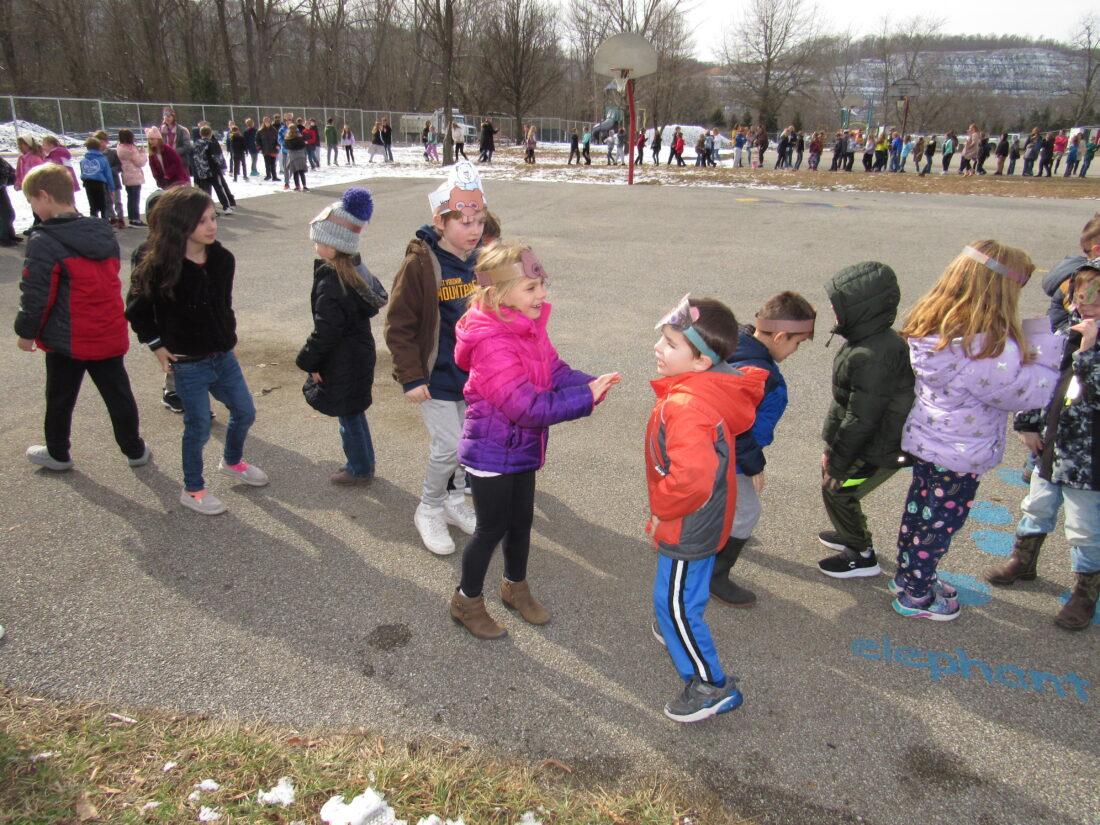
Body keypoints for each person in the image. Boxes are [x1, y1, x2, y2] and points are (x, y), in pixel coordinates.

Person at [448, 242, 620, 639]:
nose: (542, 295)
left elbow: (554, 369)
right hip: (491, 452)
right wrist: (585, 398)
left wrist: (588, 384)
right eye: (531, 288)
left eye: (542, 285)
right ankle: (466, 600)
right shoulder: (493, 342)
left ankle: (515, 587)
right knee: (490, 529)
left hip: (521, 448)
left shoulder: (528, 326)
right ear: (497, 294)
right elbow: (526, 407)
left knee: (521, 522)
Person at [892, 241, 1061, 620]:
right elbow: (1027, 391)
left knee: (920, 515)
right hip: (960, 454)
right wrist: (1050, 346)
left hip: (930, 441)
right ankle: (916, 596)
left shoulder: (938, 327)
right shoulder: (982, 348)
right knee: (939, 526)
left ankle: (909, 578)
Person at [648, 294, 767, 722]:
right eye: (662, 339)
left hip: (688, 522)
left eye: (671, 344)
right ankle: (674, 625)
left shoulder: (687, 407)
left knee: (676, 602)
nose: (659, 349)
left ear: (701, 362)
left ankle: (710, 685)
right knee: (681, 595)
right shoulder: (705, 389)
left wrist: (661, 507)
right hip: (703, 516)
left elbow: (691, 480)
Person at [125, 186, 267, 516]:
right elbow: (137, 310)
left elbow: (223, 304)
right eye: (202, 220)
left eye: (213, 217)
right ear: (179, 223)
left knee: (244, 412)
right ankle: (193, 489)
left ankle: (231, 461)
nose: (211, 225)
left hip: (222, 356)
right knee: (199, 427)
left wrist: (225, 334)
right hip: (187, 363)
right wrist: (156, 345)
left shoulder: (221, 259)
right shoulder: (158, 265)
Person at [14, 163, 149, 472]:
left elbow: (36, 293)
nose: (33, 208)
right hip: (107, 331)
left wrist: (27, 331)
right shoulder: (102, 230)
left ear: (44, 197)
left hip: (67, 338)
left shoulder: (44, 241)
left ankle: (58, 452)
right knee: (118, 394)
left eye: (32, 201)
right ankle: (134, 449)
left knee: (60, 397)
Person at [988, 262, 1100, 630]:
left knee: (1085, 526)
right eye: (1079, 296)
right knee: (1037, 504)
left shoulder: (1087, 342)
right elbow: (1042, 380)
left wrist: (1088, 349)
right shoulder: (1066, 331)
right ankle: (1024, 561)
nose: (1085, 305)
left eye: (1094, 299)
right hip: (1053, 447)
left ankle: (1085, 591)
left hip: (1090, 458)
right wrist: (1028, 424)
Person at [383, 161, 487, 555]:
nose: (473, 229)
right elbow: (399, 324)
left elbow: (495, 315)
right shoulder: (421, 264)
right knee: (448, 446)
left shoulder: (481, 263)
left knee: (468, 444)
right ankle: (428, 507)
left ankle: (454, 502)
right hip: (435, 375)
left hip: (471, 378)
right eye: (463, 221)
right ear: (440, 221)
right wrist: (411, 376)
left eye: (478, 220)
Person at [712, 292, 816, 607]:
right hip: (730, 453)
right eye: (797, 343)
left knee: (709, 496)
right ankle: (715, 574)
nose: (796, 350)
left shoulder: (736, 342)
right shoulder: (759, 374)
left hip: (708, 446)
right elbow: (739, 425)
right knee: (747, 510)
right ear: (781, 336)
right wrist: (754, 464)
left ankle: (682, 539)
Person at [816, 261, 915, 578]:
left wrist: (839, 462)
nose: (833, 312)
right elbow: (848, 404)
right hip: (865, 442)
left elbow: (862, 417)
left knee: (839, 489)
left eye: (838, 306)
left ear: (863, 309)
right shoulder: (867, 341)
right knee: (834, 485)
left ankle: (860, 552)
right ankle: (851, 533)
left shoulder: (874, 355)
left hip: (879, 449)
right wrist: (832, 446)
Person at [297, 188, 389, 485]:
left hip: (342, 360)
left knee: (348, 418)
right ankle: (365, 462)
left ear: (334, 246)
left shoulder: (332, 283)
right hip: (356, 355)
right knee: (355, 411)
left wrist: (309, 360)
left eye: (319, 239)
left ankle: (359, 469)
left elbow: (326, 330)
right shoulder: (353, 273)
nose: (315, 243)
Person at [191, 126, 236, 211]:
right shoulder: (211, 143)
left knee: (206, 192)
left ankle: (208, 209)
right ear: (210, 133)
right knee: (219, 188)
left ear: (200, 134)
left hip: (201, 172)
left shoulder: (196, 144)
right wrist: (223, 166)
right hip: (213, 170)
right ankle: (226, 206)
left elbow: (194, 158)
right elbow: (217, 157)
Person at [115, 129, 148, 227]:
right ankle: (135, 218)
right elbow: (140, 162)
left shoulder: (120, 148)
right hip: (134, 176)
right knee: (135, 198)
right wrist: (142, 153)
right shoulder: (131, 150)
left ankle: (132, 217)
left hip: (126, 175)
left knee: (131, 198)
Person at [79, 136, 114, 221]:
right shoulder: (103, 159)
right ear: (99, 147)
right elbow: (108, 174)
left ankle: (94, 224)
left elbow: (83, 173)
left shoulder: (83, 160)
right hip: (100, 183)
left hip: (88, 183)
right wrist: (111, 188)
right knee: (103, 206)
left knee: (93, 206)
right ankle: (105, 223)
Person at [284, 126, 309, 191]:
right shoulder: (299, 137)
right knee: (301, 171)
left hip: (293, 156)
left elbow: (286, 146)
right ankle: (304, 185)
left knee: (295, 172)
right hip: (300, 155)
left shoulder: (288, 138)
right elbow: (303, 145)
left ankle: (297, 186)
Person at [257, 117, 281, 181]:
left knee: (273, 164)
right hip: (265, 149)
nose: (267, 123)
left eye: (268, 121)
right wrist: (259, 147)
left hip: (273, 149)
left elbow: (278, 139)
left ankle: (274, 176)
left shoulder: (274, 130)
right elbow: (257, 140)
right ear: (264, 122)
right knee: (267, 163)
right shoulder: (260, 131)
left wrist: (278, 145)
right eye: (265, 122)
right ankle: (268, 175)